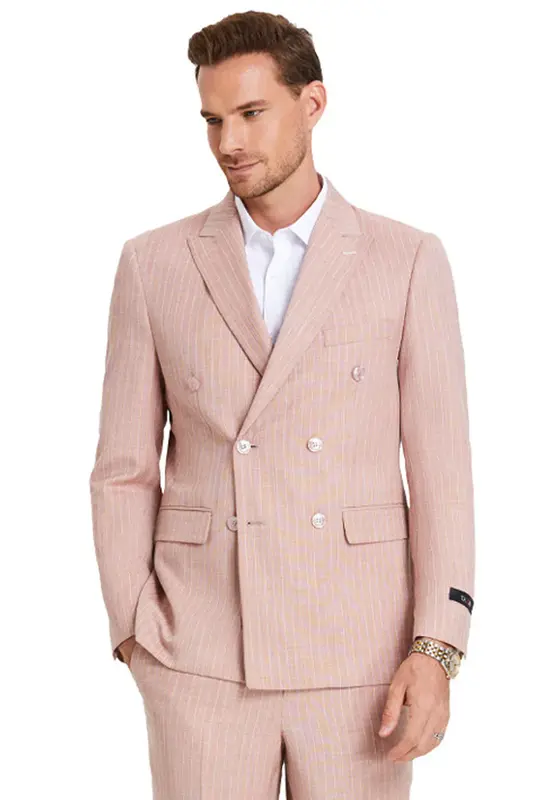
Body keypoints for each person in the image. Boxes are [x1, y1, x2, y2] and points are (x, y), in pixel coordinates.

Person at [89, 10, 475, 799]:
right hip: (198, 655)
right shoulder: (153, 263)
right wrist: (134, 630)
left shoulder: (405, 259)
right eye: (212, 119)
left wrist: (437, 647)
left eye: (251, 113)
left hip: (361, 659)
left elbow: (443, 474)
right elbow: (122, 470)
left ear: (312, 103)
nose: (228, 141)